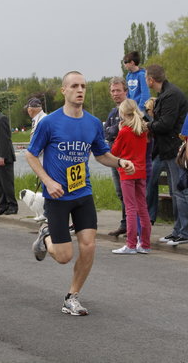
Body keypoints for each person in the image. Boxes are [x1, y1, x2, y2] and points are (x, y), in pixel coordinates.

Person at [26, 71, 135, 316]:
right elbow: (31, 154)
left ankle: (72, 297)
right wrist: (48, 182)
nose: (80, 90)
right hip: (57, 196)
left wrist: (120, 162)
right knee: (64, 256)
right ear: (64, 90)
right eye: (74, 86)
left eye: (83, 86)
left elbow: (100, 154)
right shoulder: (49, 123)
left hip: (82, 193)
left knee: (89, 246)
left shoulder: (93, 123)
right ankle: (46, 237)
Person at [145, 64, 188, 245]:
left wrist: (147, 125)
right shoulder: (166, 94)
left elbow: (165, 124)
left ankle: (184, 232)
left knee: (180, 191)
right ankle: (177, 230)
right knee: (174, 191)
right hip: (168, 149)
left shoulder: (170, 95)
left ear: (150, 79)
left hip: (174, 149)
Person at [111, 99, 151, 254]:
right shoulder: (143, 130)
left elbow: (114, 152)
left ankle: (131, 244)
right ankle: (145, 244)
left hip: (127, 172)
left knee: (130, 208)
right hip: (141, 171)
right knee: (142, 207)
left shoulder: (124, 131)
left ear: (122, 113)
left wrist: (119, 132)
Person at [103, 77, 128, 237]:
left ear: (125, 91)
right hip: (113, 157)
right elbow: (105, 132)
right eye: (113, 91)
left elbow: (119, 131)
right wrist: (113, 130)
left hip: (126, 158)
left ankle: (133, 225)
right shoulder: (113, 112)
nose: (115, 93)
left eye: (118, 90)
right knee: (120, 193)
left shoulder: (130, 109)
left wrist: (113, 131)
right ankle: (125, 224)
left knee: (128, 193)